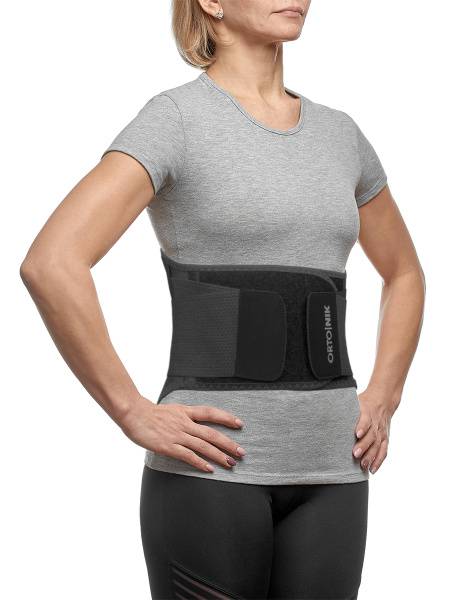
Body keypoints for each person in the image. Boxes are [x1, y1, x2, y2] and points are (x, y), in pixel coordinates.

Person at [20, 1, 426, 598]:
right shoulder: (177, 120)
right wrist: (131, 410)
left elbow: (405, 272)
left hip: (334, 469)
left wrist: (386, 393)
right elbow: (52, 262)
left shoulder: (342, 135)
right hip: (210, 471)